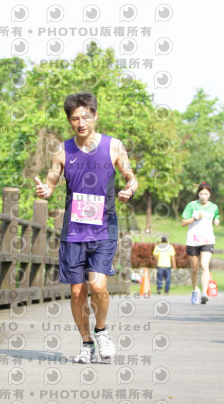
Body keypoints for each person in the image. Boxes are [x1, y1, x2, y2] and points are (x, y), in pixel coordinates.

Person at [35, 91, 138, 364]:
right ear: (69, 121)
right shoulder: (62, 150)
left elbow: (130, 176)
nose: (80, 123)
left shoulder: (114, 146)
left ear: (95, 116)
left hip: (104, 227)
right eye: (74, 118)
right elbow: (51, 181)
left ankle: (101, 331)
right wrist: (46, 190)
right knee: (77, 291)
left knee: (98, 284)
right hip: (74, 230)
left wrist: (130, 188)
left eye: (85, 117)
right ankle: (86, 342)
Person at [181, 182, 220, 305]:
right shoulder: (191, 205)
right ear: (198, 194)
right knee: (194, 269)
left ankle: (204, 293)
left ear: (210, 195)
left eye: (206, 194)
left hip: (208, 240)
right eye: (201, 194)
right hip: (193, 241)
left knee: (204, 265)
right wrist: (195, 218)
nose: (204, 196)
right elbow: (183, 222)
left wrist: (217, 220)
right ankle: (194, 290)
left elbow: (216, 216)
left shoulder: (214, 207)